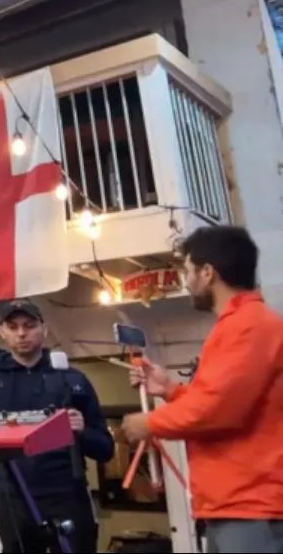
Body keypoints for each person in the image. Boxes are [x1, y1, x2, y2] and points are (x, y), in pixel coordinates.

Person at [120, 225, 283, 553]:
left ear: (208, 273)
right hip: (235, 504)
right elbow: (219, 397)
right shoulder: (239, 326)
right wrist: (170, 389)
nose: (186, 280)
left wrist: (147, 423)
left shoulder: (248, 326)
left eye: (188, 270)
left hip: (251, 506)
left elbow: (217, 410)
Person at [0, 300, 114, 553]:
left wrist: (81, 432)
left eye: (29, 325)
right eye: (13, 327)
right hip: (13, 498)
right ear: (2, 332)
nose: (21, 333)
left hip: (66, 494)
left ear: (44, 329)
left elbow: (105, 449)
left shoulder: (72, 379)